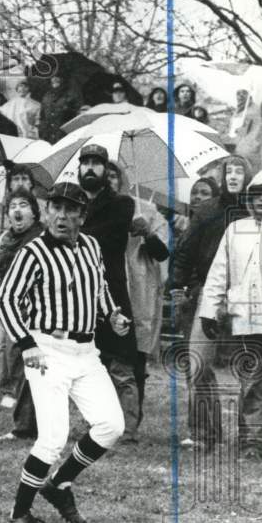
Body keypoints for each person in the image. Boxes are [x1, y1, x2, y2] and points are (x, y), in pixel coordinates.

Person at [0, 181, 132, 523]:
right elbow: (7, 299)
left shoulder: (90, 246)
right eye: (55, 207)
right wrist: (27, 345)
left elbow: (99, 287)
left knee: (111, 425)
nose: (61, 216)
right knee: (53, 438)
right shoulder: (33, 252)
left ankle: (57, 485)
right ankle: (19, 513)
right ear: (46, 212)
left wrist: (112, 314)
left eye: (71, 209)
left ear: (82, 216)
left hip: (86, 351)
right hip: (47, 350)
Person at [198, 170, 262, 460]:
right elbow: (219, 274)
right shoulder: (235, 231)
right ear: (249, 198)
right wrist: (209, 311)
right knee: (251, 383)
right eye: (257, 194)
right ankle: (255, 443)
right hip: (245, 320)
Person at [170, 157, 253, 449]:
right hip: (209, 293)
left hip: (247, 296)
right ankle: (205, 434)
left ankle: (250, 438)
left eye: (239, 171)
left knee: (249, 368)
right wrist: (183, 286)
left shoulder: (256, 210)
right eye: (228, 171)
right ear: (222, 176)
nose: (233, 176)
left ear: (248, 175)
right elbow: (184, 251)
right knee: (198, 362)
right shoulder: (206, 210)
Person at [76, 145, 139, 442]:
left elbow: (104, 239)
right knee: (88, 365)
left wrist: (73, 233)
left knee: (120, 363)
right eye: (85, 163)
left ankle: (127, 427)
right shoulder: (72, 202)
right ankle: (97, 423)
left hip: (111, 293)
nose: (90, 169)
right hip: (78, 296)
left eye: (96, 164)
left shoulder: (122, 204)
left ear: (105, 170)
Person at [106, 162, 169, 441]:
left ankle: (131, 422)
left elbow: (162, 253)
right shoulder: (94, 212)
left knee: (134, 359)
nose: (109, 181)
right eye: (104, 176)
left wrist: (147, 232)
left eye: (114, 176)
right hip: (104, 293)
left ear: (123, 180)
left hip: (137, 292)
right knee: (103, 359)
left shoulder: (144, 209)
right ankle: (107, 420)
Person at [0, 188, 43, 440]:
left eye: (23, 205)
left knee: (31, 365)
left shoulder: (41, 238)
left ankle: (27, 427)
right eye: (12, 206)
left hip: (36, 311)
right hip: (15, 309)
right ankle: (26, 425)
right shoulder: (6, 239)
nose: (17, 210)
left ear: (34, 212)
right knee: (17, 364)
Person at [38, 74, 79, 144]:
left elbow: (74, 113)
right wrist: (42, 128)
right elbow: (42, 115)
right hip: (48, 132)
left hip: (63, 130)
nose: (54, 80)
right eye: (53, 78)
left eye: (57, 78)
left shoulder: (70, 95)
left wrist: (65, 110)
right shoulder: (47, 96)